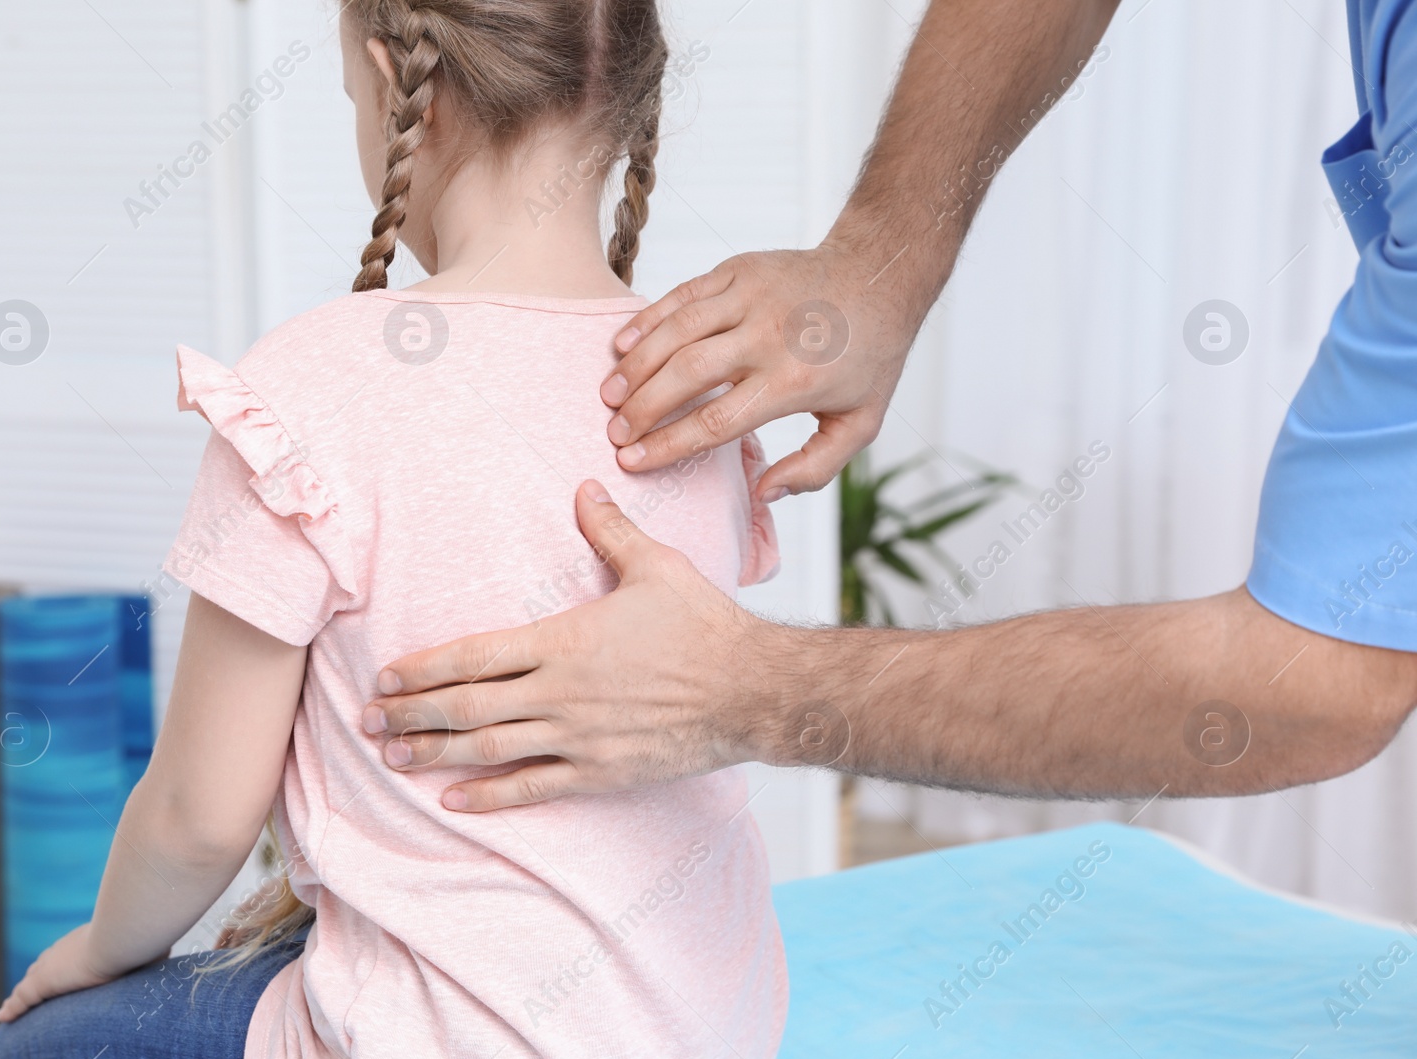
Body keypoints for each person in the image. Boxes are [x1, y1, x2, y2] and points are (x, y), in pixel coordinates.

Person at [363, 0, 1417, 813]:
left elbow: (1315, 678)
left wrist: (739, 685)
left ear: (397, 87)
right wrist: (884, 248)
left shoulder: (301, 394)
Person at [0, 1, 788, 1059]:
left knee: (41, 1048)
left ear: (400, 84)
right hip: (711, 1019)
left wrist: (92, 949)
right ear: (632, 101)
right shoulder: (696, 386)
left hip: (462, 1040)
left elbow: (197, 817)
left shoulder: (311, 385)